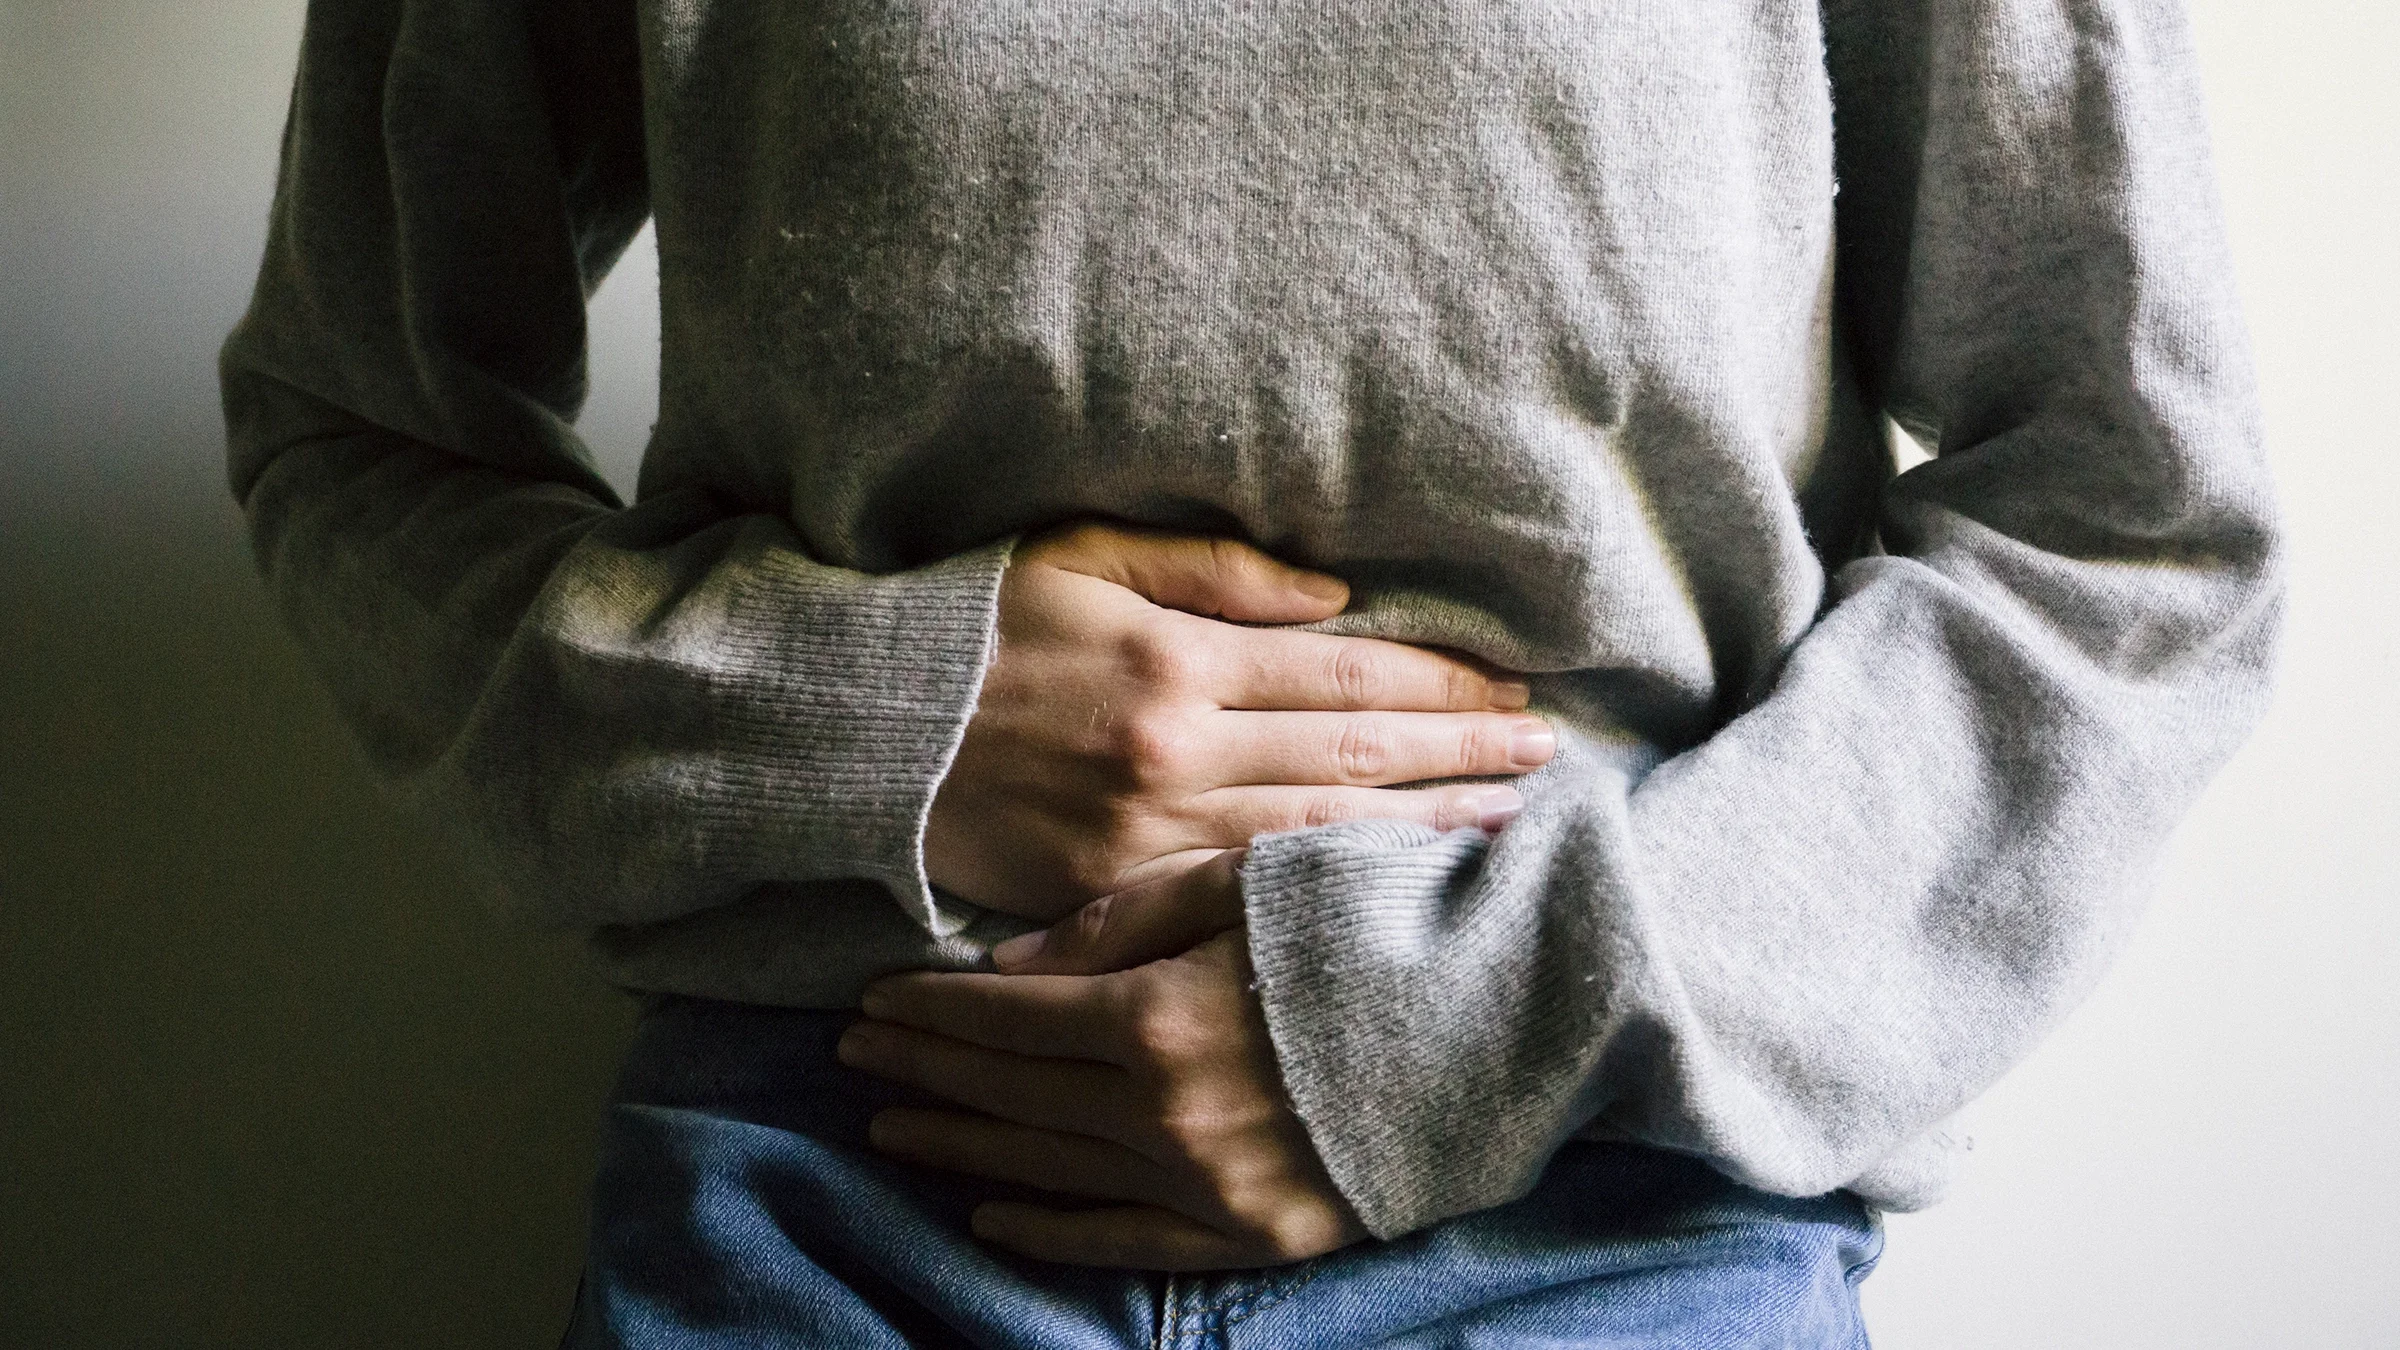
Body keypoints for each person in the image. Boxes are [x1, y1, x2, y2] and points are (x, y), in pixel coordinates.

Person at [220, 0, 2282, 1342]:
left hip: (1607, 1213)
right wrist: (846, 720)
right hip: (835, 1201)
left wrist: (1466, 1024)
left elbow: (2129, 529)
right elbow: (359, 435)